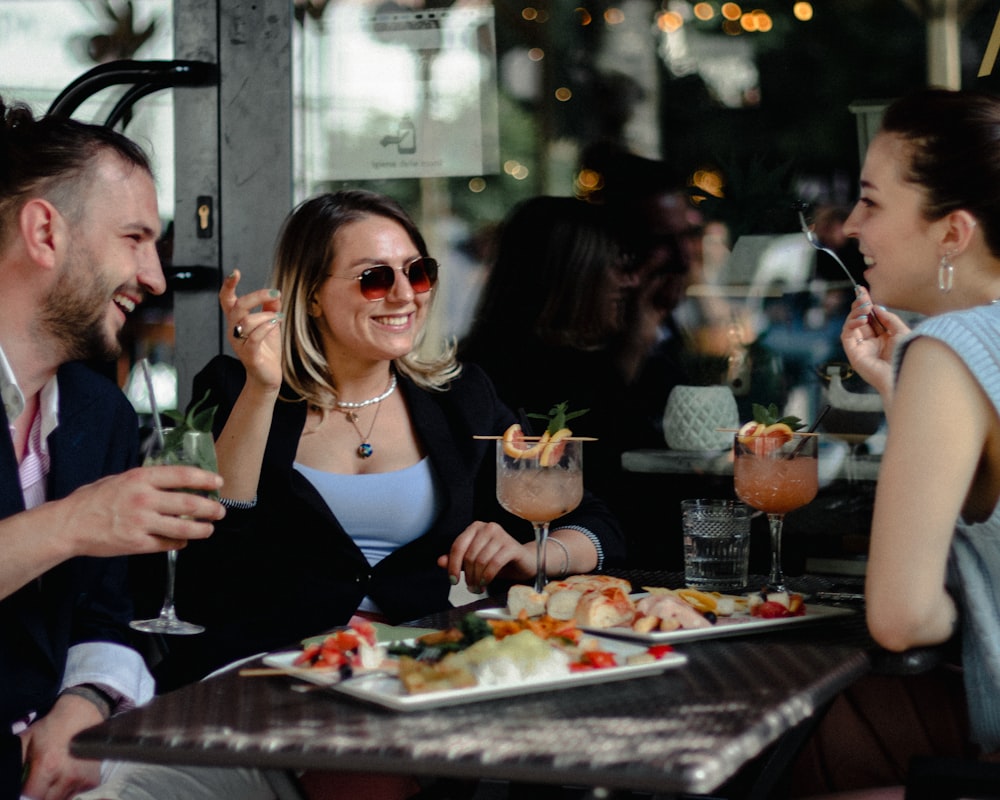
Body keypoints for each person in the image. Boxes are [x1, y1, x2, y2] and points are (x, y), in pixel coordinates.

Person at [146, 189, 625, 695]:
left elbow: (595, 526)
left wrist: (534, 554)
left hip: (410, 675)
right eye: (375, 278)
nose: (404, 295)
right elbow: (206, 554)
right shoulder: (236, 387)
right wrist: (262, 386)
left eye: (417, 272)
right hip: (264, 673)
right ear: (310, 294)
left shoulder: (461, 399)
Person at [0, 96, 225, 800]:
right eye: (134, 238)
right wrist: (77, 522)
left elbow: (109, 612)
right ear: (45, 232)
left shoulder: (99, 411)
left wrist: (86, 702)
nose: (156, 278)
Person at [794, 87, 1000, 798]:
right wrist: (901, 393)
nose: (850, 227)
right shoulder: (951, 359)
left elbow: (901, 617)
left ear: (953, 232)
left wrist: (971, 619)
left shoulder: (948, 352)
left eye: (873, 202)